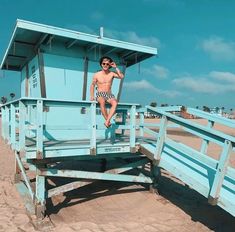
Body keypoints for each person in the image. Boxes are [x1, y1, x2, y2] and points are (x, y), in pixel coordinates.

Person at [90, 56, 124, 128]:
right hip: (100, 94)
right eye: (103, 63)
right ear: (101, 64)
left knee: (115, 102)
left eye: (107, 64)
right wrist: (92, 96)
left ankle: (107, 121)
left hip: (109, 94)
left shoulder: (112, 73)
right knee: (102, 102)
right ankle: (107, 121)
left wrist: (115, 67)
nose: (105, 65)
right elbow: (92, 85)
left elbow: (121, 76)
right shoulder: (96, 74)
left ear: (109, 65)